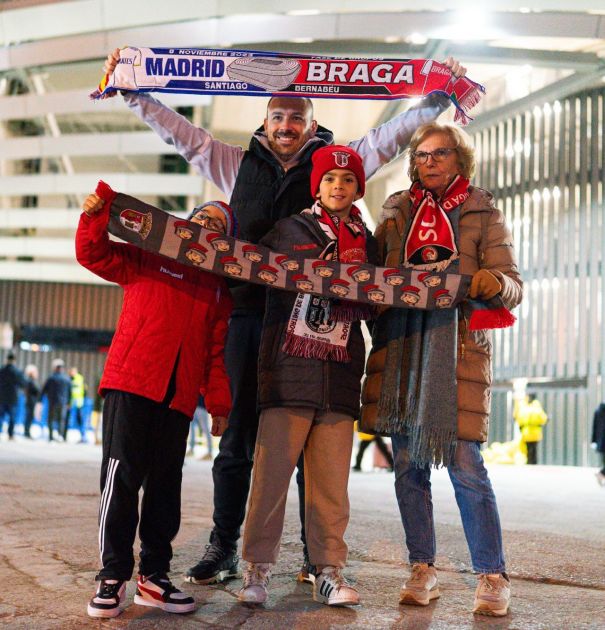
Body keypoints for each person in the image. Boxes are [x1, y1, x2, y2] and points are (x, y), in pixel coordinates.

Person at [102, 49, 468, 587]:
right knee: (238, 442)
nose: (287, 125)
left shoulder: (339, 165)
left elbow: (391, 135)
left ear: (312, 122)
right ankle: (225, 545)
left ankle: (310, 559)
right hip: (247, 316)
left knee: (306, 445)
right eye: (278, 116)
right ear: (265, 121)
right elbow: (178, 132)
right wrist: (133, 90)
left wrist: (436, 95)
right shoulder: (231, 162)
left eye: (297, 117)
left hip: (311, 326)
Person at [361, 121, 523, 617]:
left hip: (455, 354)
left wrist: (480, 281)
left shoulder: (482, 211)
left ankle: (492, 576)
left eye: (439, 153)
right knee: (408, 467)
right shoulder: (396, 212)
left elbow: (513, 285)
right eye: (421, 154)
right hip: (403, 351)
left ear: (460, 160)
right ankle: (422, 568)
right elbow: (368, 278)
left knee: (466, 466)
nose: (428, 161)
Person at [77, 191, 234, 619]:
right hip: (131, 382)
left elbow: (215, 354)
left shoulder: (217, 289)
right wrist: (93, 217)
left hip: (178, 398)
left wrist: (218, 402)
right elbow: (95, 254)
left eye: (219, 227)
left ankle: (155, 577)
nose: (208, 228)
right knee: (121, 478)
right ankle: (113, 575)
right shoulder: (150, 256)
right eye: (203, 218)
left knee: (166, 486)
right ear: (186, 223)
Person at [238, 145, 375, 606]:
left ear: (358, 188)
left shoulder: (366, 241)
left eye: (349, 180)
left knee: (331, 486)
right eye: (331, 180)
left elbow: (377, 304)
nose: (339, 187)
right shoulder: (287, 231)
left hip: (338, 377)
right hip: (287, 374)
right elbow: (250, 279)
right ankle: (255, 569)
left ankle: (328, 571)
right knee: (271, 480)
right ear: (317, 186)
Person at [41, 359, 71, 442]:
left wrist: (40, 399)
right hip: (63, 403)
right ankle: (60, 436)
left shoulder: (51, 378)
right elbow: (70, 392)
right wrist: (69, 403)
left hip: (52, 402)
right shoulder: (66, 379)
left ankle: (50, 437)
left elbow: (44, 389)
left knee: (51, 419)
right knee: (61, 419)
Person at [514, 394, 548, 465]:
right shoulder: (537, 409)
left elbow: (519, 419)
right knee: (534, 448)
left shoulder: (524, 409)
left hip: (526, 432)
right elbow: (543, 419)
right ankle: (534, 462)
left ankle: (529, 461)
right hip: (535, 433)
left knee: (528, 448)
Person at [0, 352, 26, 440]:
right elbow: (23, 383)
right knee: (12, 417)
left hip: (1, 397)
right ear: (14, 360)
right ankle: (10, 435)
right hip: (13, 397)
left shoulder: (2, 370)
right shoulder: (17, 371)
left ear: (7, 359)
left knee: (0, 416)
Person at [188, 395, 213, 460]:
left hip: (202, 408)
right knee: (192, 429)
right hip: (195, 407)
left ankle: (209, 453)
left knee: (205, 430)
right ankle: (191, 450)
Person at [69, 366, 88, 443]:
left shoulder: (78, 378)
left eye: (72, 372)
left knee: (80, 420)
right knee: (77, 421)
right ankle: (82, 436)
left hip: (78, 403)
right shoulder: (73, 379)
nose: (71, 374)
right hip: (74, 403)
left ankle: (83, 436)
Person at [23, 364, 40, 439]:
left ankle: (27, 432)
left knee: (30, 417)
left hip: (31, 401)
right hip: (30, 401)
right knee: (29, 417)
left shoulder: (30, 381)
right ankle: (27, 432)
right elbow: (36, 390)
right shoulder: (30, 381)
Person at [592, 402, 605, 487]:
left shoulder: (597, 411)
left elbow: (594, 427)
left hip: (601, 442)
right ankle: (601, 474)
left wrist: (593, 441)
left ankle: (601, 474)